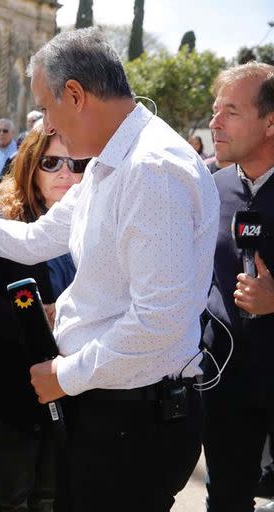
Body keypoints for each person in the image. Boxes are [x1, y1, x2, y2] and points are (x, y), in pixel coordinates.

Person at [0, 28, 219, 512]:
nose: (45, 129)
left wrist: (66, 374)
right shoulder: (110, 162)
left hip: (133, 419)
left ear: (76, 95)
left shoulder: (150, 171)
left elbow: (159, 322)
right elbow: (36, 239)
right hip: (112, 407)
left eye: (46, 109)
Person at [0, 124, 83, 512]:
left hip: (75, 390)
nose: (66, 174)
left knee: (51, 497)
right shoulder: (3, 226)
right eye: (52, 163)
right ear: (31, 168)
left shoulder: (96, 225)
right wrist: (35, 319)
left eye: (77, 163)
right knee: (10, 499)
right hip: (11, 394)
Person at [202, 61, 274, 512]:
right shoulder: (212, 187)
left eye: (230, 111)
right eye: (214, 110)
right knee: (226, 498)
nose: (214, 124)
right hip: (225, 380)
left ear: (270, 122)